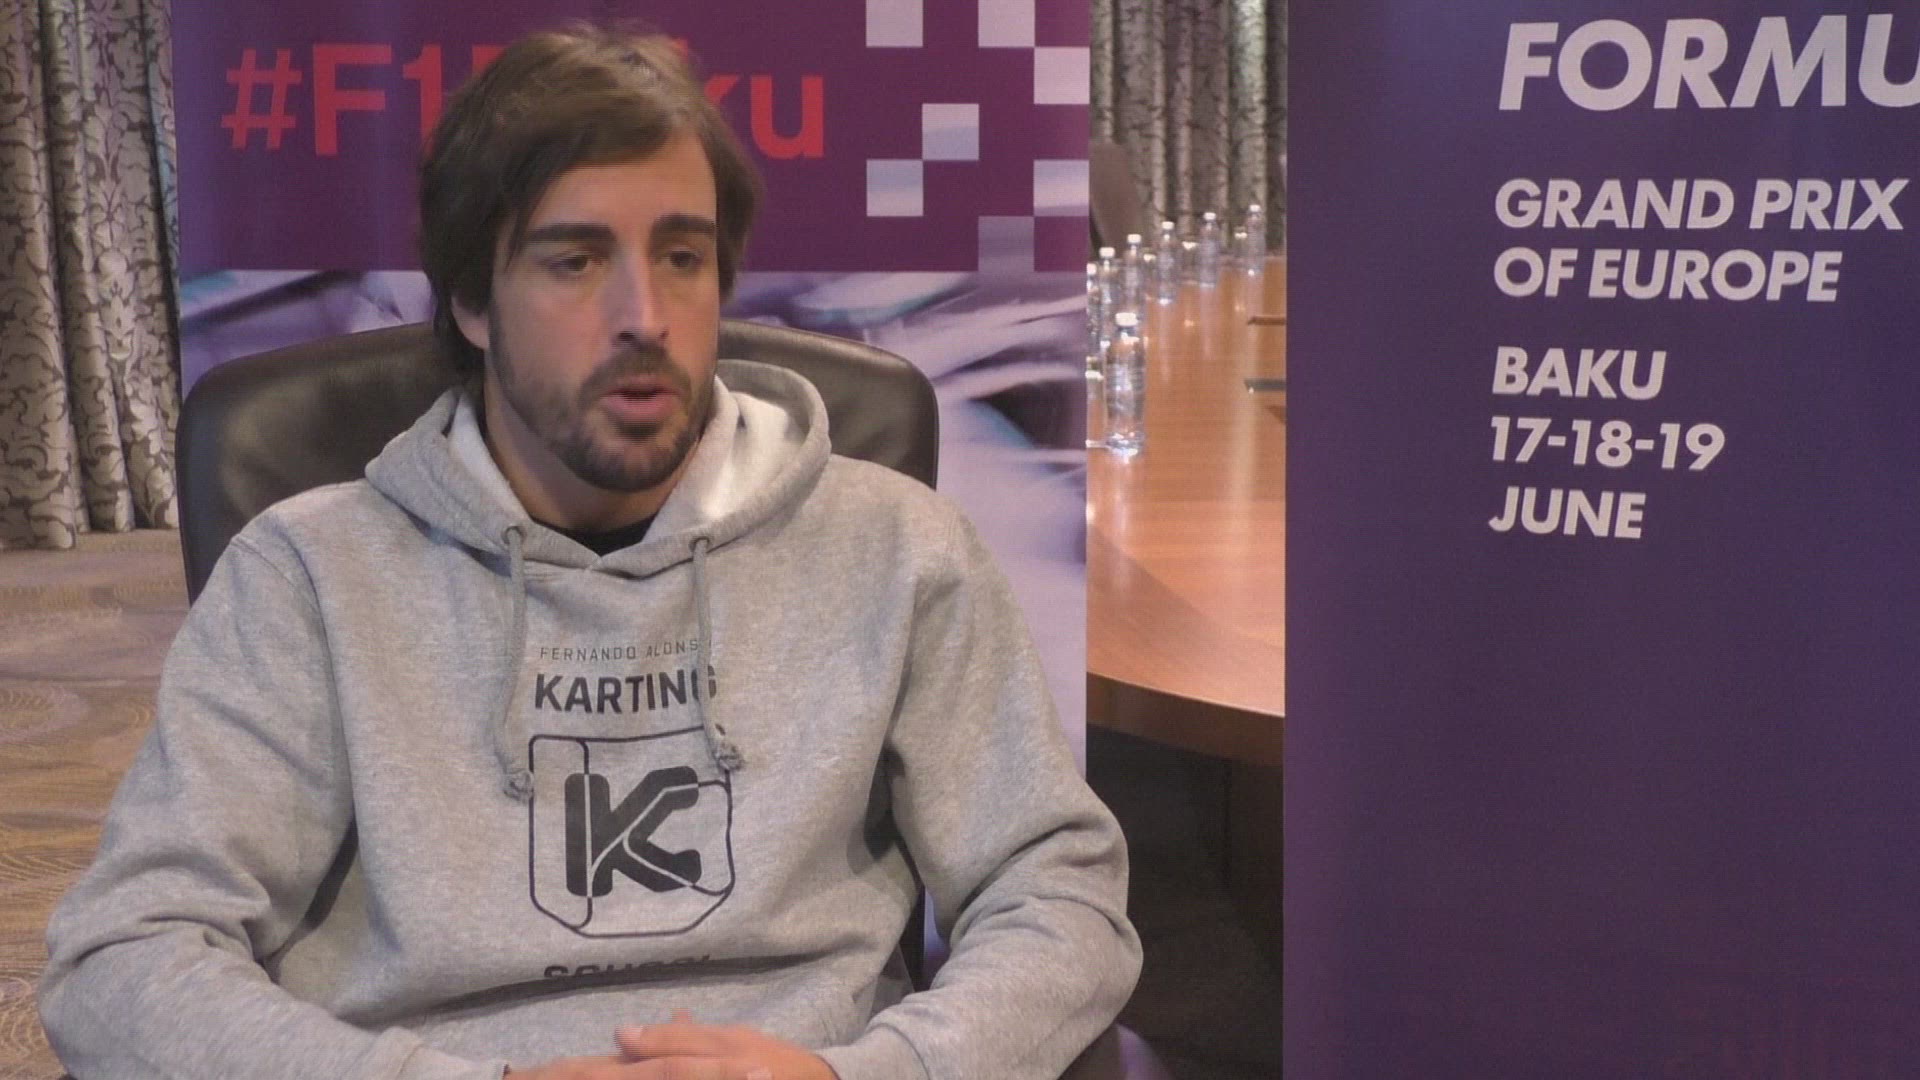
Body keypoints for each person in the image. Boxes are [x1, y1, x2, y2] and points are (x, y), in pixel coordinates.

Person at [38, 24, 1140, 1080]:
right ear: (472, 300)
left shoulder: (898, 550)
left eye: (683, 256)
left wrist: (866, 1073)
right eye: (574, 261)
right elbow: (124, 959)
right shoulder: (308, 577)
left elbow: (1059, 896)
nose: (645, 315)